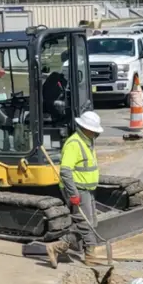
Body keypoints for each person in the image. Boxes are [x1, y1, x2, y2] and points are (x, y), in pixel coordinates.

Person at [44, 111, 104, 268]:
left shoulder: (87, 142)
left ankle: (57, 246)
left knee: (91, 222)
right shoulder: (74, 144)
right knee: (86, 224)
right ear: (85, 128)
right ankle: (90, 255)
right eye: (94, 130)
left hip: (88, 188)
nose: (96, 133)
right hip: (78, 189)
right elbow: (65, 171)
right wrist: (73, 194)